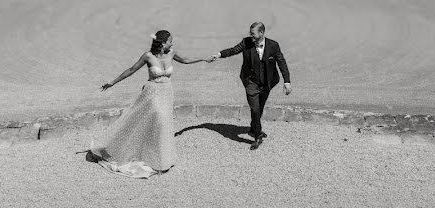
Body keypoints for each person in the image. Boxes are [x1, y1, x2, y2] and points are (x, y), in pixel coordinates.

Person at [89, 30, 213, 178]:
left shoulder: (172, 53)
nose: (172, 43)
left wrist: (203, 59)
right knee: (158, 119)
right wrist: (112, 82)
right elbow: (131, 70)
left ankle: (159, 159)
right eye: (170, 41)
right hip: (152, 92)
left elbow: (185, 60)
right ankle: (112, 147)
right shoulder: (148, 56)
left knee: (162, 124)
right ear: (162, 43)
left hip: (167, 92)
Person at [212, 22, 291, 150]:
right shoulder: (246, 42)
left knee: (259, 107)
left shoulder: (273, 45)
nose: (251, 36)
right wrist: (220, 54)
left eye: (253, 34)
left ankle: (254, 128)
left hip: (267, 83)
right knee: (255, 109)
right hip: (251, 82)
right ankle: (258, 136)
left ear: (261, 33)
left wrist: (287, 81)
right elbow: (233, 50)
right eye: (250, 34)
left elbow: (281, 63)